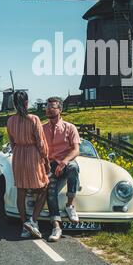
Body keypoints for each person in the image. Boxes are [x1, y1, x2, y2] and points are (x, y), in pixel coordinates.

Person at [7, 90, 50, 239]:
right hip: (33, 155)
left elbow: (12, 142)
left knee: (21, 190)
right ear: (26, 103)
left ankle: (24, 225)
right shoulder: (34, 119)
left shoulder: (10, 120)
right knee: (44, 187)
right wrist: (46, 161)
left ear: (14, 103)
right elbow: (41, 143)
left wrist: (18, 151)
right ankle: (32, 221)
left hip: (18, 155)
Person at [43, 97, 80, 242]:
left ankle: (70, 205)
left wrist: (64, 162)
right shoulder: (42, 128)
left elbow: (76, 150)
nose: (48, 109)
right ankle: (56, 227)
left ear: (60, 110)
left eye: (52, 107)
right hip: (49, 164)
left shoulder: (70, 128)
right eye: (47, 107)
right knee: (49, 189)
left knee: (73, 167)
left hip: (65, 163)